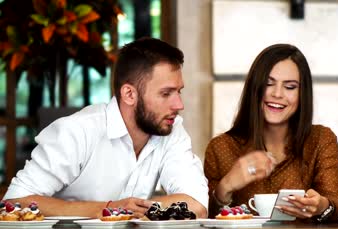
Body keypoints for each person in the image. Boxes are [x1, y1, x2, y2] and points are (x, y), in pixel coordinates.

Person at [2, 37, 208, 219]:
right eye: (166, 94)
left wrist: (142, 209)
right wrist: (108, 209)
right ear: (129, 94)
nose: (179, 105)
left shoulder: (171, 128)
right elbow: (14, 203)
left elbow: (196, 204)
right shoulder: (77, 131)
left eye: (178, 92)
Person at [204, 43, 338, 224]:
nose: (277, 94)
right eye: (268, 84)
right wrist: (226, 186)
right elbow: (205, 220)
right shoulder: (221, 147)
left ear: (303, 94)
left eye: (290, 87)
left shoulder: (320, 139)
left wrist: (321, 206)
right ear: (255, 88)